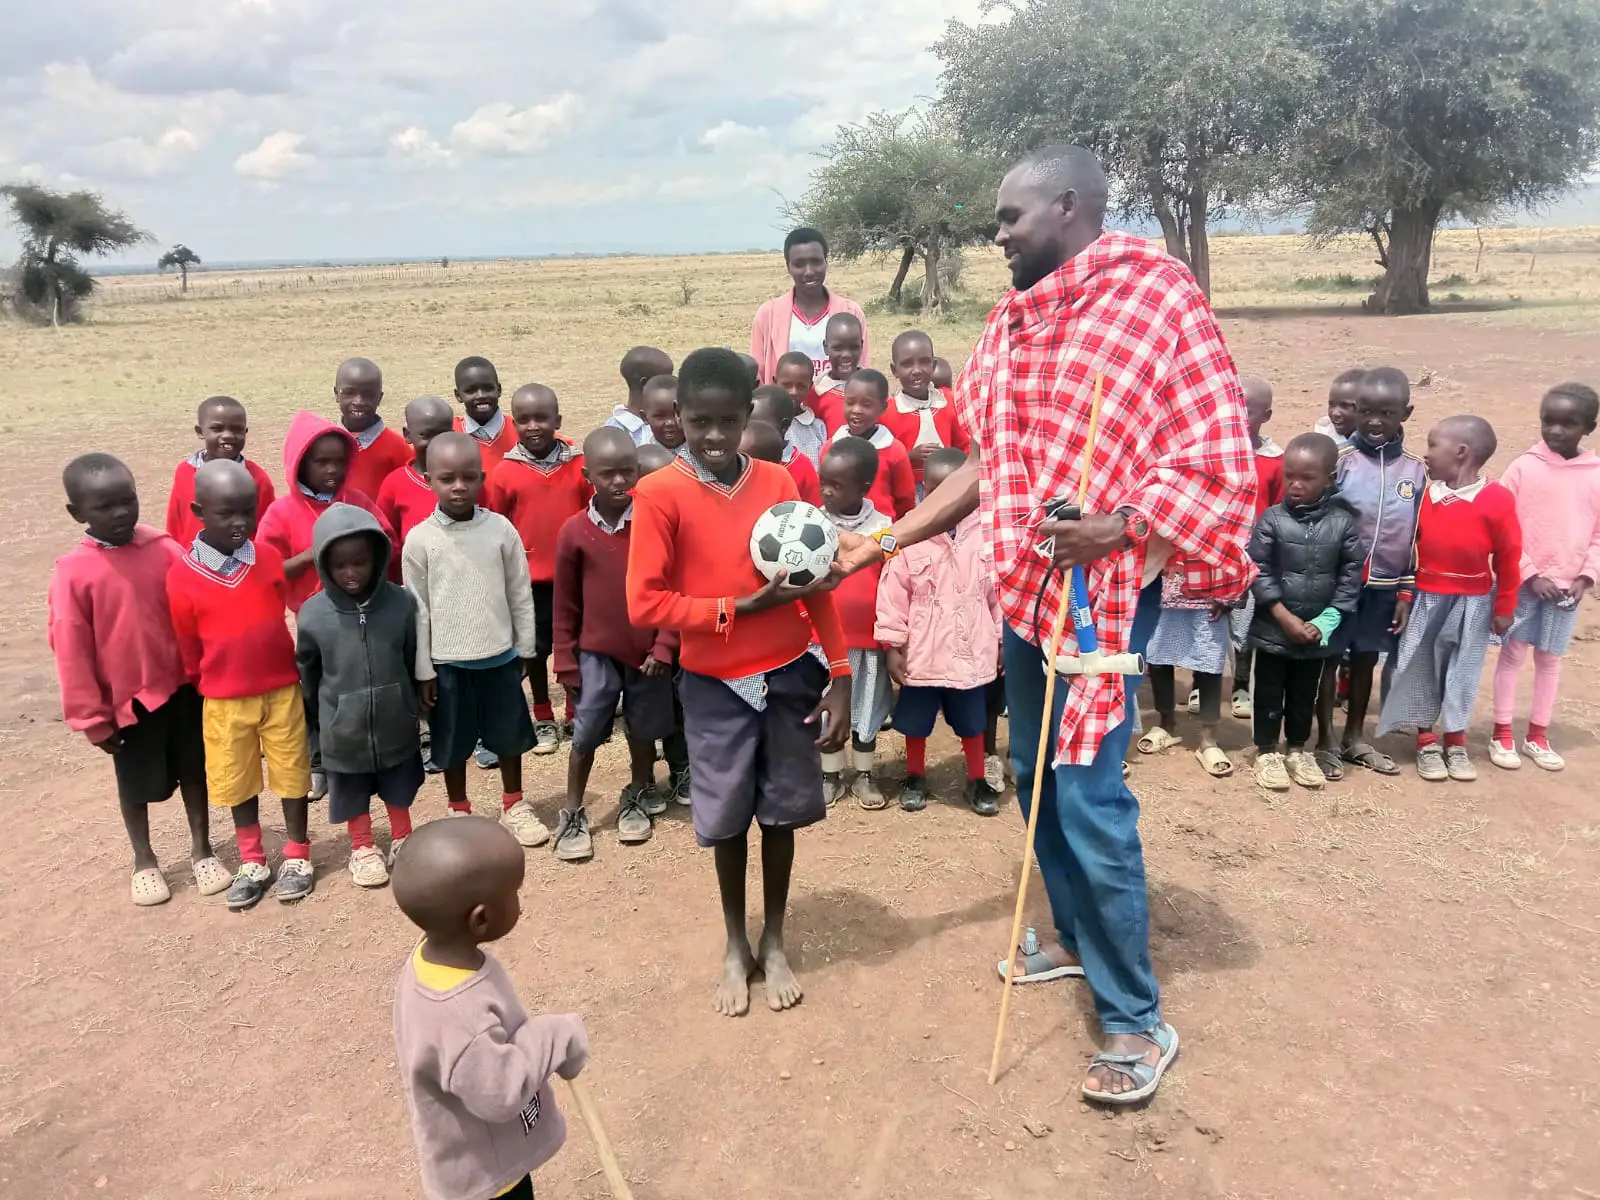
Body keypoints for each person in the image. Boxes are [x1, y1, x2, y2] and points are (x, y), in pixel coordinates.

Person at [836, 145, 1258, 1103]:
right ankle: (1073, 937)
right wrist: (885, 541)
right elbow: (991, 467)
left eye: (1010, 219)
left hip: (1103, 595)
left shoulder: (1158, 300)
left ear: (1066, 207)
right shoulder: (1015, 319)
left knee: (1090, 798)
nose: (997, 236)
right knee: (1032, 774)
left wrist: (1120, 523)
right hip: (1027, 590)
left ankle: (1134, 1017)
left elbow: (1218, 460)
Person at [627, 347, 851, 1017]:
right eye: (700, 422)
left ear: (749, 412)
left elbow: (813, 584)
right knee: (726, 821)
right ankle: (735, 943)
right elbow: (644, 603)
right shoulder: (659, 493)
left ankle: (773, 940)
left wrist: (840, 673)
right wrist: (736, 609)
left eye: (729, 421)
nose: (715, 436)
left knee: (780, 813)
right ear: (677, 416)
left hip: (787, 677)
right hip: (713, 684)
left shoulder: (778, 482)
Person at [50, 454, 227, 906]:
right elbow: (71, 651)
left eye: (127, 500)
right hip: (129, 702)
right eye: (104, 506)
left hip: (183, 688)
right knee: (134, 783)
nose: (121, 513)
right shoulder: (73, 573)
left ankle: (202, 849)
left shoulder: (163, 548)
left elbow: (199, 603)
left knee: (194, 770)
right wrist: (92, 719)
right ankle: (144, 860)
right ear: (77, 513)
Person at [392, 815, 589, 1200]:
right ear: (481, 918)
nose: (520, 903)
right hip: (489, 1181)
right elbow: (500, 1092)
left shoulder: (430, 961)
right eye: (514, 893)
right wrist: (556, 1037)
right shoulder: (460, 1015)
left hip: (475, 1159)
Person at [166, 460, 315, 910]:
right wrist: (209, 682)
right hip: (225, 699)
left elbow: (276, 607)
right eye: (226, 512)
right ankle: (253, 861)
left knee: (292, 772)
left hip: (282, 690)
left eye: (248, 511)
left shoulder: (266, 558)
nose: (240, 522)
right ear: (198, 511)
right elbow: (187, 645)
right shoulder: (182, 575)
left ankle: (297, 854)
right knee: (237, 779)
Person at [404, 433, 545, 846]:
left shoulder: (500, 530)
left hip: (499, 657)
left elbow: (519, 591)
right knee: (452, 740)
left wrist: (525, 647)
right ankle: (459, 810)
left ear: (482, 478)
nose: (459, 486)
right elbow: (418, 609)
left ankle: (514, 804)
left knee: (509, 734)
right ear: (429, 480)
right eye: (447, 478)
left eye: (468, 477)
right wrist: (424, 670)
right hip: (447, 664)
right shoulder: (420, 540)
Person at [551, 429, 679, 861]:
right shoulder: (574, 532)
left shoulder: (655, 524)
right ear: (588, 476)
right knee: (586, 730)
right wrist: (566, 662)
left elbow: (673, 589)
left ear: (639, 471)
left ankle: (638, 792)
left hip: (648, 655)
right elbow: (565, 604)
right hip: (596, 653)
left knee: (643, 729)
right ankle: (573, 810)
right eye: (608, 474)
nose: (620, 481)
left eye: (628, 471)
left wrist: (664, 647)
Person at [1378, 415, 1521, 782]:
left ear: (1461, 452)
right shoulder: (1425, 496)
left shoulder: (1498, 500)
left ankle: (1455, 741)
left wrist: (1505, 607)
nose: (1426, 454)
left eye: (1432, 446)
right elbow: (1408, 552)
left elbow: (1508, 558)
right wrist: (1405, 594)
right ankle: (1426, 740)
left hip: (1473, 603)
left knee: (1463, 672)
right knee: (1418, 666)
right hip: (1426, 598)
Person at [296, 504, 423, 888]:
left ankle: (403, 838)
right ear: (324, 564)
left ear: (378, 558)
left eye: (360, 562)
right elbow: (308, 671)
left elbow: (411, 655)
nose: (350, 572)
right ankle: (363, 846)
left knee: (398, 782)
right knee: (351, 789)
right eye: (339, 565)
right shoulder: (313, 614)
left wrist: (410, 704)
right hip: (343, 729)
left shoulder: (401, 603)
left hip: (394, 720)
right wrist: (320, 720)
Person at [874, 447, 1004, 815]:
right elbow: (892, 593)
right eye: (935, 490)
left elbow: (998, 596)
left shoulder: (987, 534)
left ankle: (976, 779)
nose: (947, 499)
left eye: (956, 490)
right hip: (922, 653)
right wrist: (892, 646)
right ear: (924, 489)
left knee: (972, 722)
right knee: (916, 722)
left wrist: (1001, 641)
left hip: (971, 651)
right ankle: (915, 776)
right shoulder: (908, 535)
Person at [1490, 382, 1600, 771]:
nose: (1555, 430)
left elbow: (1598, 535)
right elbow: (1501, 526)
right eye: (1547, 421)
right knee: (1512, 653)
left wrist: (1585, 578)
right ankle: (1501, 732)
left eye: (1567, 424)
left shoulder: (1595, 475)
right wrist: (1529, 573)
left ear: (1589, 427)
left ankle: (1537, 735)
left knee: (1550, 659)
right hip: (1523, 584)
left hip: (1567, 589)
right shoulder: (1524, 467)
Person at [1245, 434, 1364, 792]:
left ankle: (1297, 750)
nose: (1295, 485)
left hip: (1316, 632)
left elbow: (1351, 573)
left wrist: (1326, 621)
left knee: (1304, 694)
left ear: (1329, 478)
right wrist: (1282, 615)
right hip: (1274, 626)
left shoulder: (1343, 523)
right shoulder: (1271, 520)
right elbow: (1258, 569)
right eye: (1290, 476)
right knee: (1268, 692)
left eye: (1307, 478)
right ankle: (1267, 752)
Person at [1326, 367, 1426, 776]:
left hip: (1385, 586)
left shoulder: (1416, 470)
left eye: (1386, 413)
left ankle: (1354, 737)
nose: (1373, 421)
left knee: (1366, 659)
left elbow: (1416, 534)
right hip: (1338, 584)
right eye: (1365, 411)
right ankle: (1324, 740)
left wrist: (1405, 591)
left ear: (1406, 413)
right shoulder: (1340, 462)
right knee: (1329, 658)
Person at [483, 384, 591, 757]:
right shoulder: (504, 472)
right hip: (530, 582)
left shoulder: (578, 464)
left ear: (557, 420)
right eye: (524, 419)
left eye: (541, 418)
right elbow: (498, 526)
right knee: (535, 650)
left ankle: (575, 712)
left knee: (575, 645)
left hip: (575, 578)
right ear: (514, 423)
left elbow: (590, 516)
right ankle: (543, 714)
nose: (533, 426)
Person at [814, 437, 894, 809]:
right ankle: (829, 775)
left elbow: (893, 574)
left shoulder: (886, 527)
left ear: (863, 487)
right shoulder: (812, 523)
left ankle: (864, 774)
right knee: (826, 706)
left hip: (867, 639)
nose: (827, 491)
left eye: (837, 484)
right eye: (823, 482)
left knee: (867, 706)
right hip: (821, 641)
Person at [257, 410, 396, 616]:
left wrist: (363, 550)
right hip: (312, 615)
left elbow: (390, 545)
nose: (332, 469)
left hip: (366, 610)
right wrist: (309, 557)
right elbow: (267, 571)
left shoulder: (357, 501)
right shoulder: (281, 513)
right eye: (322, 462)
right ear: (301, 462)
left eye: (340, 461)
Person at [1139, 567, 1233, 776]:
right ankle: (1166, 725)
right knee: (1158, 657)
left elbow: (1239, 553)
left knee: (1209, 663)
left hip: (1212, 596)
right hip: (1165, 592)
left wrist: (1231, 596)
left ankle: (1209, 740)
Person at [1228, 376, 1285, 720]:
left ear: (1266, 415)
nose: (1238, 415)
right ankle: (1201, 683)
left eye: (1247, 410)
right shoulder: (1218, 449)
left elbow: (1278, 509)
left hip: (1255, 554)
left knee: (1247, 622)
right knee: (1210, 618)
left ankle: (1240, 684)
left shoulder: (1275, 461)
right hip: (1218, 552)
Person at [750, 226, 869, 384]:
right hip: (786, 400)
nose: (809, 272)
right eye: (799, 264)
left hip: (840, 399)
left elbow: (863, 373)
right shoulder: (767, 315)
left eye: (816, 262)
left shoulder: (851, 312)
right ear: (788, 267)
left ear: (826, 262)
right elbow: (758, 376)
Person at [165, 396, 276, 545]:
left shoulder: (256, 478)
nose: (228, 436)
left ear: (245, 432)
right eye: (217, 429)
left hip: (241, 557)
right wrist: (174, 553)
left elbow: (267, 528)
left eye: (237, 429)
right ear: (200, 431)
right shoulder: (185, 471)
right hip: (191, 556)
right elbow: (175, 522)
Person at [881, 329, 970, 489]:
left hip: (948, 485)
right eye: (907, 364)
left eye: (924, 362)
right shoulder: (888, 412)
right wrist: (909, 456)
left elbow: (964, 445)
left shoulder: (947, 402)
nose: (916, 370)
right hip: (908, 489)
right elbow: (883, 458)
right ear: (895, 370)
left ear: (933, 365)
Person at [833, 369, 916, 520]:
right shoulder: (832, 447)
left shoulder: (894, 450)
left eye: (866, 405)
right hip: (839, 526)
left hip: (882, 529)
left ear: (882, 408)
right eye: (850, 403)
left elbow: (905, 499)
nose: (856, 410)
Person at [377, 395, 456, 547]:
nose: (435, 443)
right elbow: (387, 541)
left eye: (443, 435)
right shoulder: (394, 484)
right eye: (425, 435)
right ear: (407, 435)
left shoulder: (466, 480)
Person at [335, 357, 412, 500]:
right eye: (349, 393)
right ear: (336, 394)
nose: (358, 402)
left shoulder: (399, 449)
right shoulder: (324, 443)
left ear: (380, 398)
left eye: (368, 395)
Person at [752, 384, 822, 506]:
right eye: (749, 422)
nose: (752, 429)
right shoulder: (743, 460)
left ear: (784, 426)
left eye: (760, 424)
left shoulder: (802, 466)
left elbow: (813, 509)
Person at [453, 356, 519, 471]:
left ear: (499, 389)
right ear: (458, 395)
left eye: (488, 388)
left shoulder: (521, 431)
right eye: (471, 390)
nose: (481, 396)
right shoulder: (449, 435)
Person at [807, 313, 865, 438]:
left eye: (853, 347)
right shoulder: (816, 394)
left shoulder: (873, 389)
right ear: (826, 347)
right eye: (838, 348)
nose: (846, 355)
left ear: (861, 346)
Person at [606, 346, 674, 446]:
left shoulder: (675, 421)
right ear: (645, 383)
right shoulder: (615, 431)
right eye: (665, 379)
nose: (672, 382)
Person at [775, 350, 833, 466]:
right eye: (786, 385)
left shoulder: (817, 427)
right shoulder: (767, 421)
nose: (793, 392)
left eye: (801, 386)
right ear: (775, 382)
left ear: (810, 387)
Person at [1314, 368, 1364, 444]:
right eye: (1331, 405)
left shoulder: (1376, 438)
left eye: (1345, 406)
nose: (1335, 413)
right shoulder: (1324, 429)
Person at [640, 373, 684, 451]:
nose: (670, 423)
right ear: (645, 417)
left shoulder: (701, 450)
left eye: (677, 414)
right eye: (660, 416)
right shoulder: (641, 454)